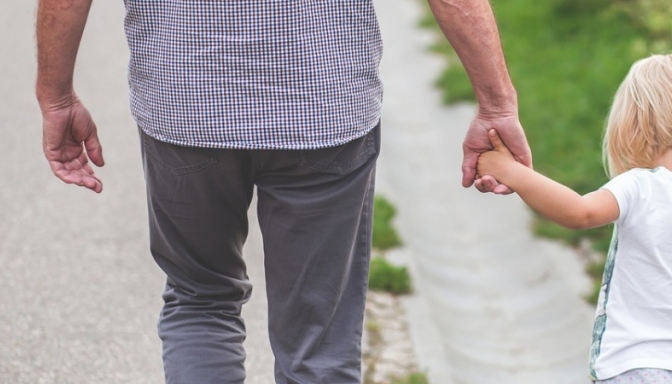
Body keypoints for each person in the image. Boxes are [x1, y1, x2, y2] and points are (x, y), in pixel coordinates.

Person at [34, 0, 532, 383]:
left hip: (184, 105)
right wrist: (496, 104)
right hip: (323, 106)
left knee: (200, 300)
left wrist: (56, 96)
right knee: (320, 341)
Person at [477, 52, 672, 384]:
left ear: (634, 124)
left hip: (631, 368)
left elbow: (579, 212)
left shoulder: (640, 186)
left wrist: (508, 170)